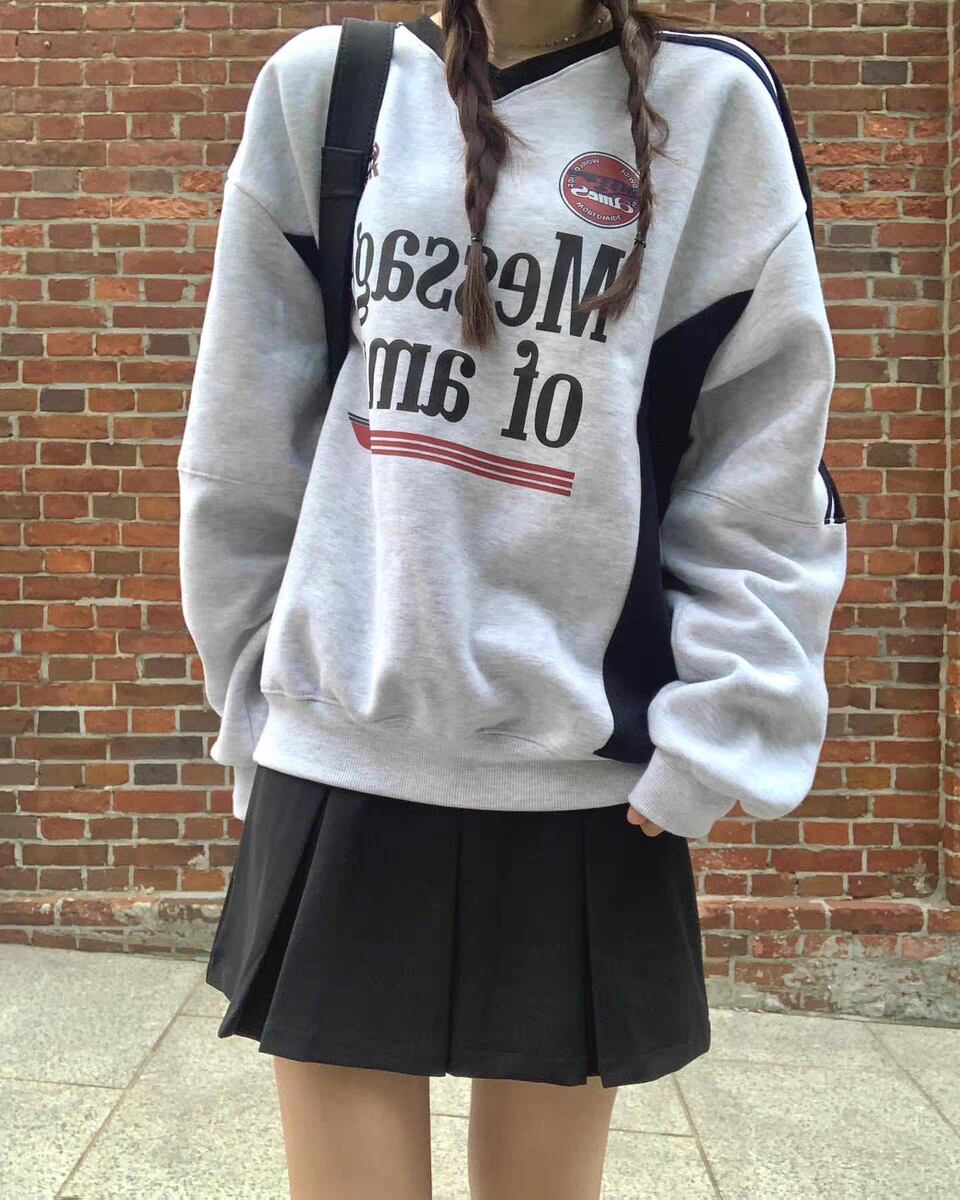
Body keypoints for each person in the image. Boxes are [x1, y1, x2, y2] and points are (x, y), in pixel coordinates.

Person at [177, 2, 848, 1196]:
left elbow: (762, 461)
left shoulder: (710, 110)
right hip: (343, 753)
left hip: (583, 777)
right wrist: (255, 710)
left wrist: (723, 727)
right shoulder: (332, 91)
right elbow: (242, 448)